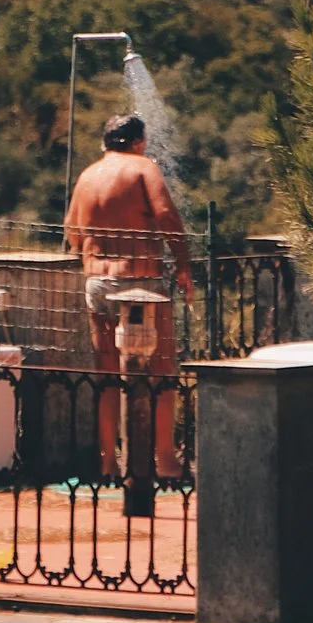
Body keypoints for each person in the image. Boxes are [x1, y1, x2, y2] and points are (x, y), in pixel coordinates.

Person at [63, 112, 193, 481]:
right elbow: (167, 215)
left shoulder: (87, 176)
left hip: (97, 282)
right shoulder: (142, 168)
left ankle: (108, 463)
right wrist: (183, 266)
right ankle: (164, 461)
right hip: (139, 282)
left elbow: (72, 233)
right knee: (161, 369)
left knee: (107, 371)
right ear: (139, 142)